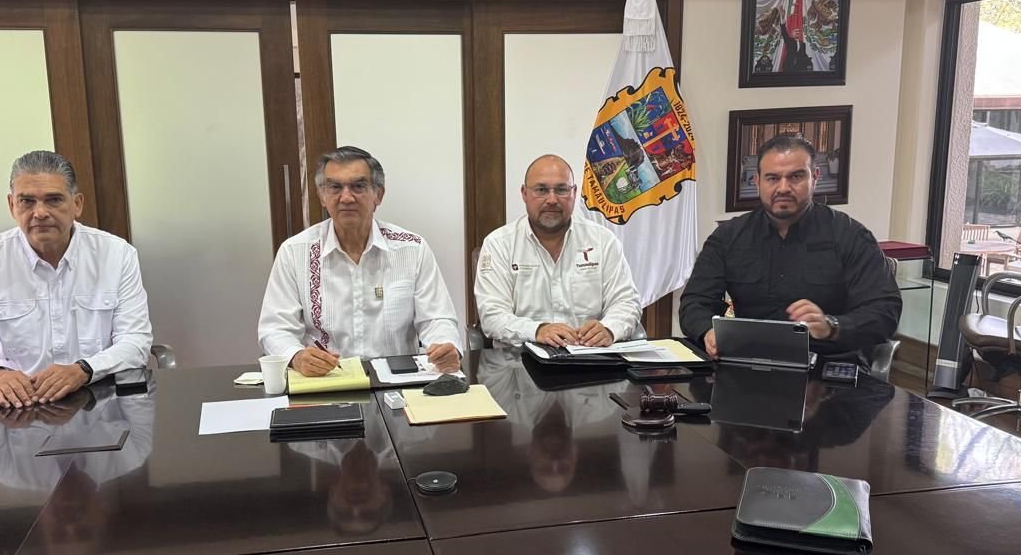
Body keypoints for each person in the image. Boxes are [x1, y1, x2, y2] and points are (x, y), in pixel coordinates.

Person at [0, 151, 152, 408]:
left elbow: (136, 341)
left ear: (77, 204)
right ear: (12, 205)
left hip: (97, 402)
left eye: (53, 200)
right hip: (19, 408)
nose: (40, 213)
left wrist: (84, 370)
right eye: (27, 201)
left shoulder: (117, 255)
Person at [679, 133, 900, 366]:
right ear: (757, 181)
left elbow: (885, 312)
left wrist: (832, 326)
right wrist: (707, 332)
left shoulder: (850, 235)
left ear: (815, 177)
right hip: (747, 363)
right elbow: (695, 302)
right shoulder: (728, 237)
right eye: (772, 178)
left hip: (830, 365)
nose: (783, 188)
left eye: (796, 176)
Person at [258, 146, 462, 377]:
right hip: (326, 380)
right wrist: (296, 356)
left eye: (358, 186)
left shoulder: (412, 248)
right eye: (335, 187)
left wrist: (445, 347)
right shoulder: (294, 252)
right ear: (322, 196)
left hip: (399, 381)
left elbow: (437, 318)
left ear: (378, 195)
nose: (346, 198)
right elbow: (275, 328)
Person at [474, 154, 642, 348]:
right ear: (524, 193)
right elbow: (492, 316)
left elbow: (626, 302)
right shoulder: (499, 244)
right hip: (519, 359)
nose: (552, 199)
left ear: (574, 193)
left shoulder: (603, 241)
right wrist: (537, 330)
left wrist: (609, 329)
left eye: (561, 189)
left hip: (591, 355)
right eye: (541, 190)